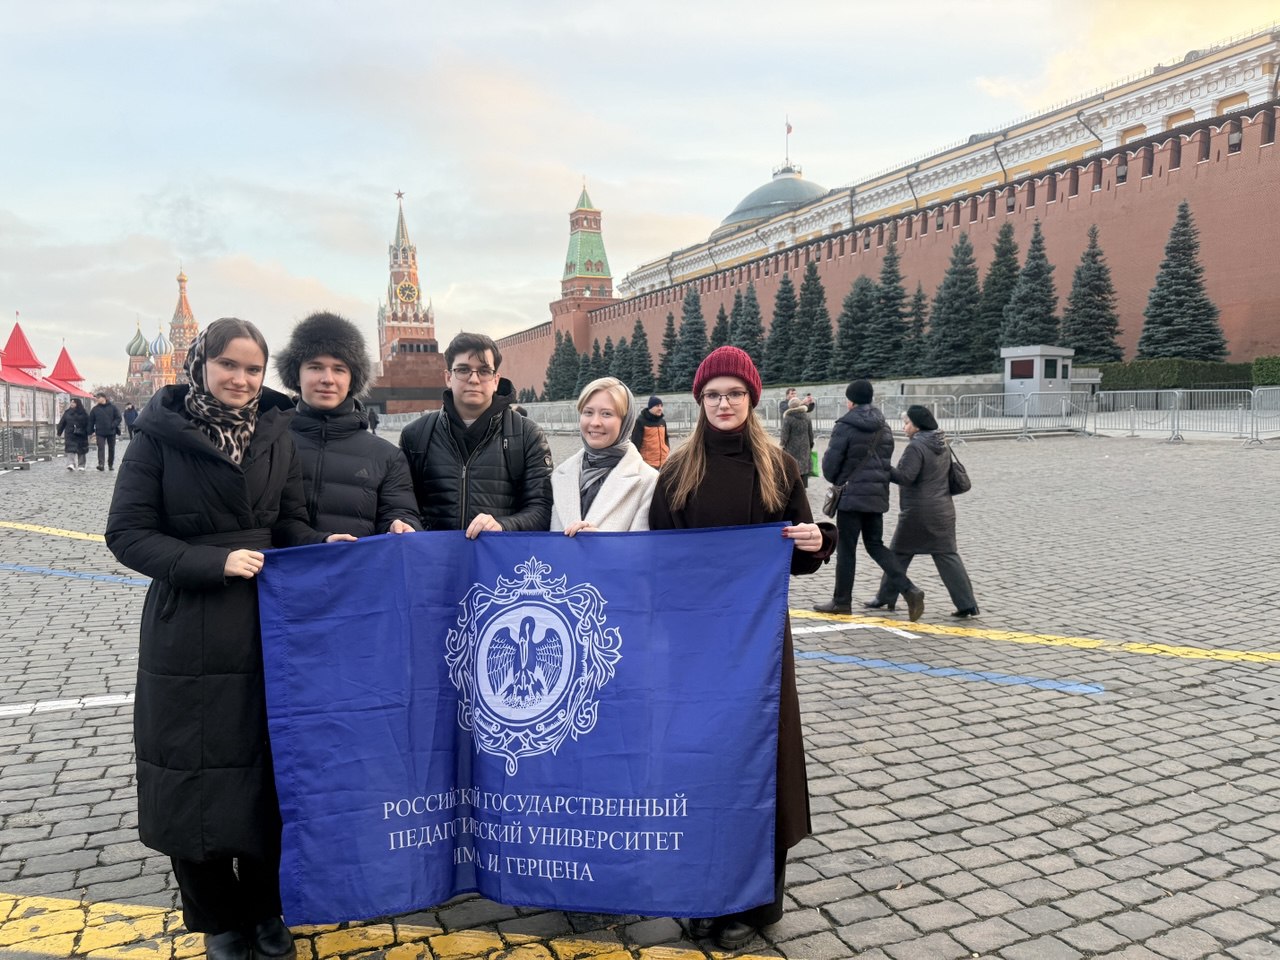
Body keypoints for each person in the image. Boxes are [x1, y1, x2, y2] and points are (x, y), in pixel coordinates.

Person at [105, 318, 356, 960]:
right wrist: (210, 563)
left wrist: (322, 545)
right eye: (229, 366)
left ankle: (268, 911)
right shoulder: (158, 436)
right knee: (193, 779)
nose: (241, 380)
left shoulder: (278, 433)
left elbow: (290, 520)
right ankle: (219, 919)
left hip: (268, 626)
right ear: (202, 365)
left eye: (252, 368)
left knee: (269, 775)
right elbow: (127, 534)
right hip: (188, 628)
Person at [649, 345, 834, 952]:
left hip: (757, 646)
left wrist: (816, 539)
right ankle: (706, 891)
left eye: (734, 393)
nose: (723, 403)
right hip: (695, 645)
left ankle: (757, 899)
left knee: (761, 763)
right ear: (699, 402)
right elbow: (656, 558)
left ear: (752, 399)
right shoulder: (677, 471)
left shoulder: (779, 467)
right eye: (712, 395)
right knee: (703, 766)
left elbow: (803, 554)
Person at [274, 312, 421, 538]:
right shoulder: (268, 440)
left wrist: (401, 525)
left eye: (339, 369)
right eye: (315, 367)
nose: (328, 379)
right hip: (278, 572)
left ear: (353, 378)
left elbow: (400, 511)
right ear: (296, 374)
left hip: (356, 571)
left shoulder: (387, 457)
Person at [399, 332, 553, 537]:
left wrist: (502, 525)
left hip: (498, 563)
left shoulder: (527, 435)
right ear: (448, 377)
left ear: (496, 380)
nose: (474, 379)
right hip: (435, 562)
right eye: (463, 370)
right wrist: (408, 525)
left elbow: (542, 510)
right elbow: (402, 504)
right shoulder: (416, 435)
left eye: (484, 371)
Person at [814, 379, 924, 621]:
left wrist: (836, 479)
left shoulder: (845, 425)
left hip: (852, 497)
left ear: (850, 400)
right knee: (875, 545)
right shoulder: (883, 427)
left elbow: (832, 463)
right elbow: (885, 463)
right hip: (876, 497)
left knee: (846, 550)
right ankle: (910, 589)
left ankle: (842, 601)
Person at [868, 405, 979, 618]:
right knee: (947, 556)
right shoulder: (941, 442)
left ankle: (884, 597)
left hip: (918, 512)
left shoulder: (916, 447)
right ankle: (967, 604)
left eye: (907, 423)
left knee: (898, 554)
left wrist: (884, 467)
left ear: (917, 425)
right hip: (943, 509)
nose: (904, 427)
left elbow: (906, 477)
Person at [552, 377, 657, 534]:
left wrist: (602, 544)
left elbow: (642, 551)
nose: (595, 422)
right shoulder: (560, 474)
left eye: (606, 414)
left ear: (625, 421)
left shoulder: (648, 481)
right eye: (588, 412)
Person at [779, 396, 814, 489]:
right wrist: (811, 444)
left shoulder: (788, 418)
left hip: (791, 448)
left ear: (790, 407)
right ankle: (803, 487)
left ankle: (794, 487)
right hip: (805, 447)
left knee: (792, 466)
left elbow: (784, 435)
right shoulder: (807, 417)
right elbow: (810, 433)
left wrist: (782, 445)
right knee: (804, 467)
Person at [630, 394, 670, 469]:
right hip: (648, 464)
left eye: (661, 406)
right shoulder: (640, 421)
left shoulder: (662, 421)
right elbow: (636, 443)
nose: (660, 408)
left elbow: (666, 438)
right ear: (650, 408)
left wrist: (667, 449)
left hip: (663, 462)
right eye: (657, 406)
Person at [88, 391, 123, 471]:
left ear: (103, 398)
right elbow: (91, 421)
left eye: (98, 398)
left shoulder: (113, 407)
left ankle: (110, 464)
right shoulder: (95, 409)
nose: (97, 399)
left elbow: (118, 418)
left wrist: (113, 425)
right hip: (100, 432)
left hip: (111, 431)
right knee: (100, 448)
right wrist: (90, 431)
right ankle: (101, 464)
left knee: (111, 448)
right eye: (96, 398)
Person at [57, 398, 90, 470]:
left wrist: (89, 431)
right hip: (70, 434)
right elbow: (62, 423)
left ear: (77, 403)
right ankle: (71, 464)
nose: (71, 404)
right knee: (70, 449)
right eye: (71, 402)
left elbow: (88, 423)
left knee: (81, 450)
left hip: (81, 434)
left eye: (73, 402)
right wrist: (59, 432)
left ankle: (81, 465)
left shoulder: (83, 413)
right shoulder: (67, 412)